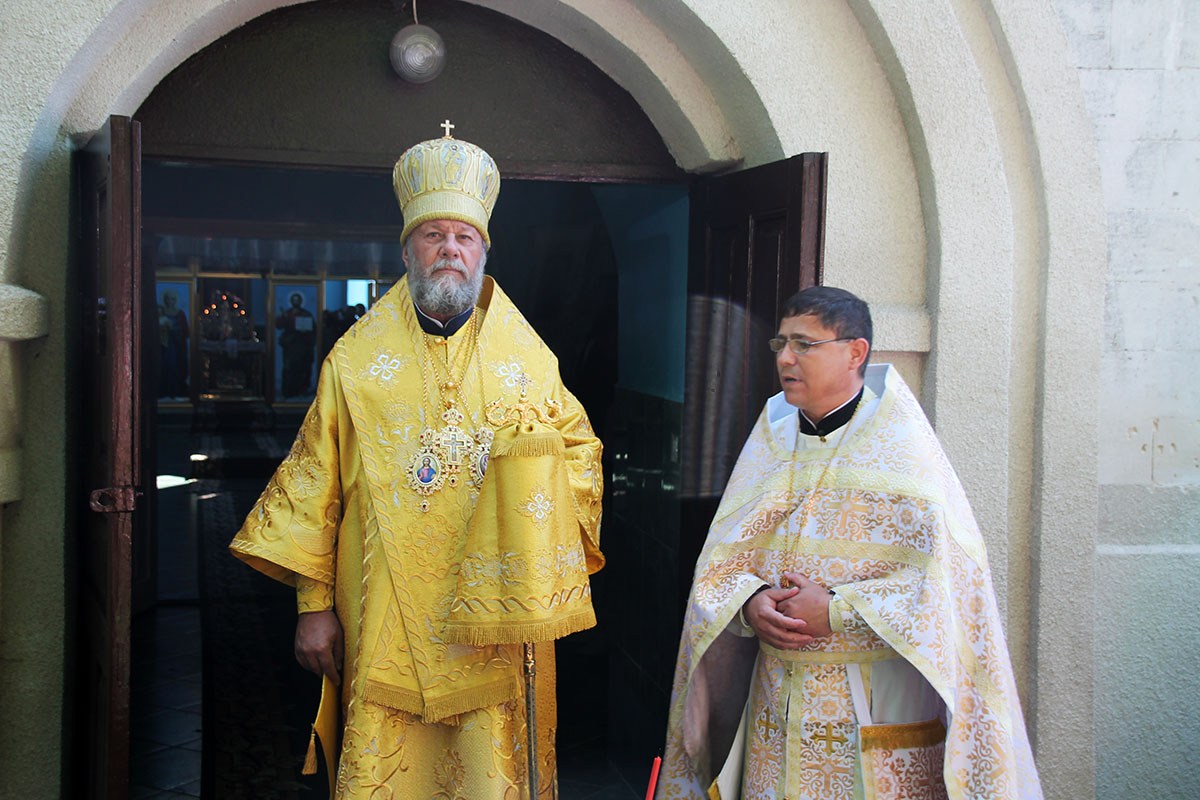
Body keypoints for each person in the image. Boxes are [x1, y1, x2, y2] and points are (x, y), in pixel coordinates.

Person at [230, 129, 605, 798]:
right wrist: (314, 606)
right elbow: (313, 483)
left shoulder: (530, 363)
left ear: (484, 252)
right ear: (407, 251)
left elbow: (583, 462)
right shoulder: (354, 364)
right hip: (382, 615)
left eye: (464, 237)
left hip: (497, 620)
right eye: (433, 235)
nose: (449, 249)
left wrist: (540, 548)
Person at [658, 287, 1042, 799]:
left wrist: (838, 611)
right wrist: (750, 603)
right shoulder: (771, 437)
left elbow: (945, 586)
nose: (785, 358)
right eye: (780, 343)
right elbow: (721, 564)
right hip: (776, 706)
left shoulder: (902, 449)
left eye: (804, 344)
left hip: (873, 709)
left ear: (855, 352)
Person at [276, 291, 316, 398]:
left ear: (300, 301)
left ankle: (301, 390)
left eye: (297, 300)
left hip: (302, 345)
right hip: (290, 345)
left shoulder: (306, 314)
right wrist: (282, 317)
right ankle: (288, 391)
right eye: (294, 300)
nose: (296, 302)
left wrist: (306, 331)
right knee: (289, 368)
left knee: (302, 368)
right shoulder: (287, 313)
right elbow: (279, 325)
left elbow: (313, 328)